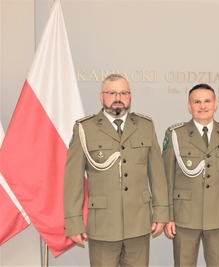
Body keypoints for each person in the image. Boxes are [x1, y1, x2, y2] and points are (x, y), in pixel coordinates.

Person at [63, 74, 169, 266]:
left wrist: (161, 211)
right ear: (101, 97)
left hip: (138, 222)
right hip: (103, 224)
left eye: (123, 93)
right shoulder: (84, 129)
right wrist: (73, 221)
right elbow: (73, 181)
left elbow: (157, 174)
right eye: (112, 93)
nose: (118, 98)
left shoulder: (145, 125)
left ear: (130, 97)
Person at [162, 83, 219, 266]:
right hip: (184, 216)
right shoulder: (175, 134)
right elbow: (166, 179)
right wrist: (167, 215)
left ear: (215, 103)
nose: (202, 106)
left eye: (207, 101)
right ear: (189, 105)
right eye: (197, 102)